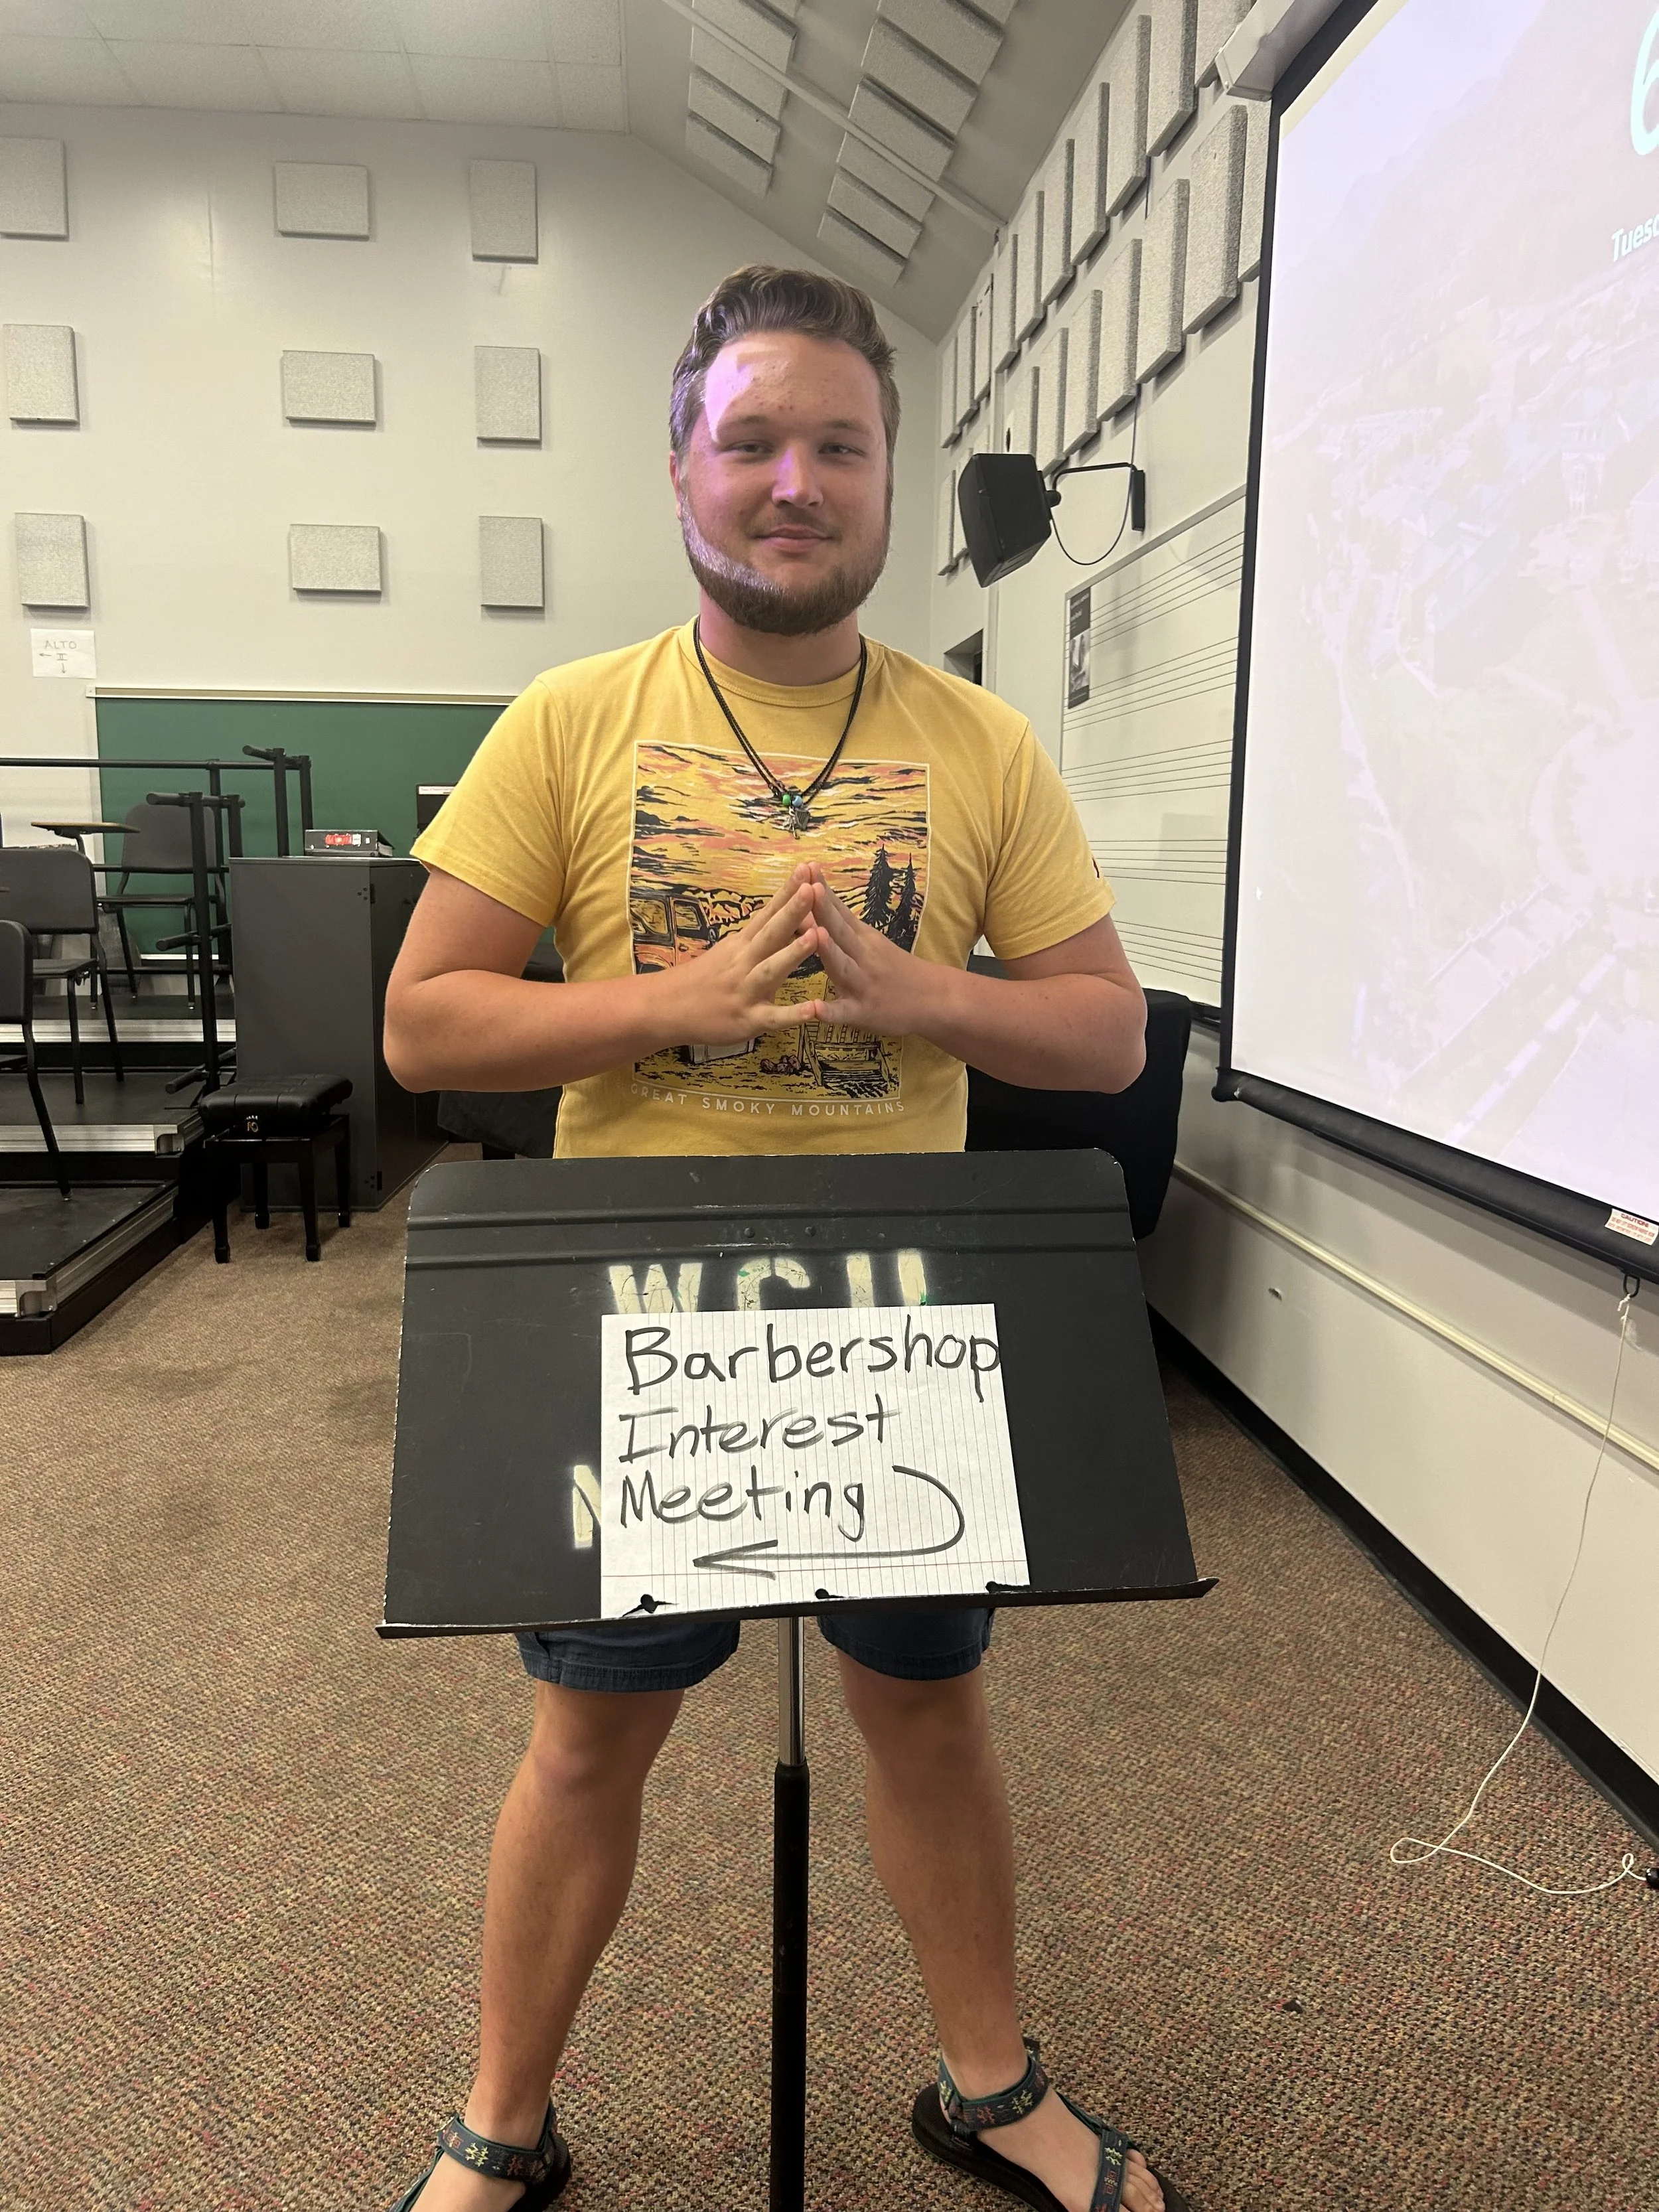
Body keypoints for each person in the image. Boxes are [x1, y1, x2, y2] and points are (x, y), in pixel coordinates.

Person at [382, 265, 1185, 2212]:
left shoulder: (977, 744)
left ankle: (988, 2091)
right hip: (633, 1297)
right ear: (679, 466)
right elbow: (423, 1022)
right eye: (750, 440)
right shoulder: (571, 722)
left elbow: (1102, 1027)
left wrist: (929, 997)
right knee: (591, 1734)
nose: (793, 481)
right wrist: (668, 1008)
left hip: (894, 1297)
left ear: (890, 479)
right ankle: (502, 2125)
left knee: (922, 1711)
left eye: (837, 444)